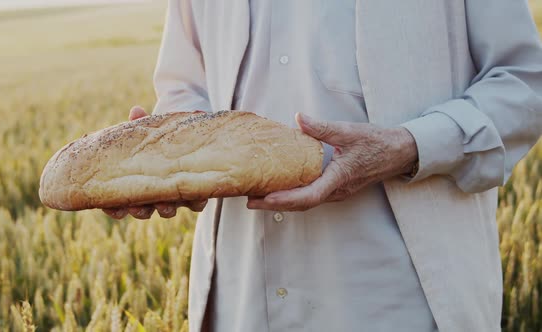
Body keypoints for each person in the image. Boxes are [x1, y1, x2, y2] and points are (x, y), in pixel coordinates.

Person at [104, 1, 542, 331]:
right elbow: (185, 86)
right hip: (241, 297)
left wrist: (408, 145)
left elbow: (525, 81)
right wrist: (172, 155)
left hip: (399, 296)